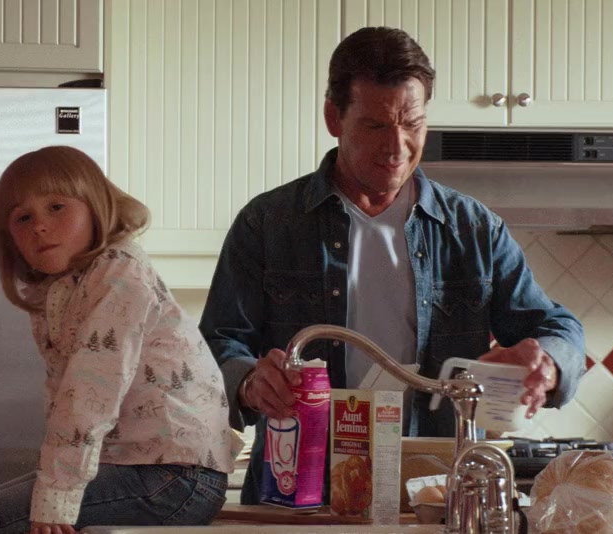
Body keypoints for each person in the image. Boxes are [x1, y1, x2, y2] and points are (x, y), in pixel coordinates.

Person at [198, 27, 586, 505]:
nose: (397, 147)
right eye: (375, 125)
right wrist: (250, 382)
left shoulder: (473, 228)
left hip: (436, 493)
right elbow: (215, 344)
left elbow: (556, 326)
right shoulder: (268, 223)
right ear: (333, 117)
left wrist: (549, 363)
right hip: (299, 489)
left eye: (413, 124)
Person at [0, 146, 243, 534]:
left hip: (174, 476)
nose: (39, 226)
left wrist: (58, 495)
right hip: (151, 470)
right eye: (23, 218)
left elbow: (87, 395)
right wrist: (57, 485)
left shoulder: (118, 272)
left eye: (56, 207)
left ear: (95, 207)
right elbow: (64, 398)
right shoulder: (62, 289)